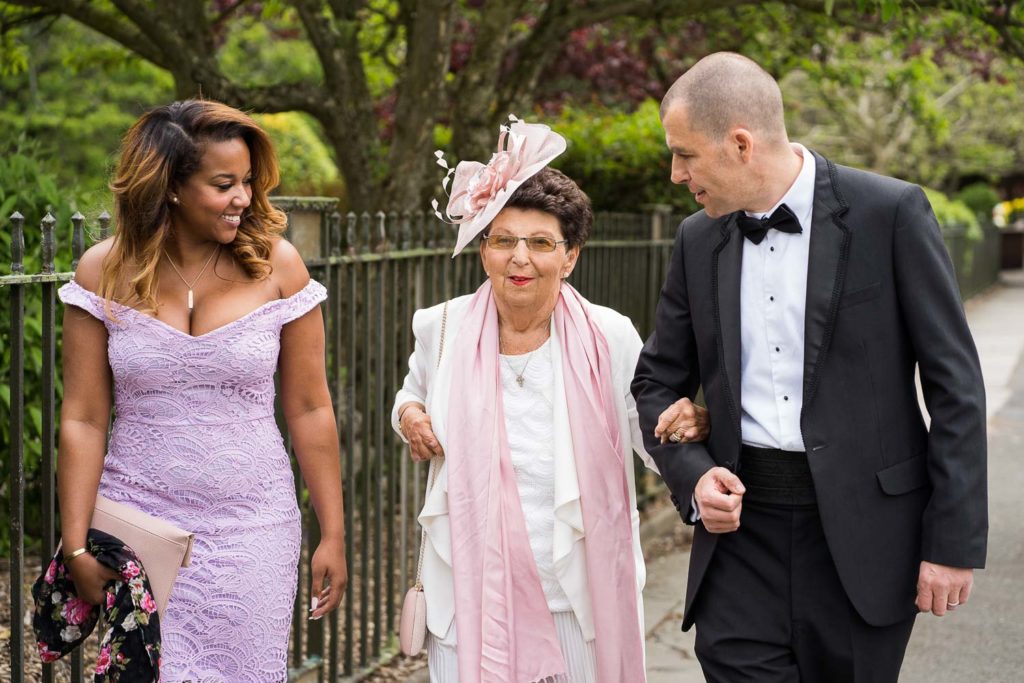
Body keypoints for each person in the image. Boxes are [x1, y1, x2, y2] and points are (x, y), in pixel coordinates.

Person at [631, 52, 988, 682]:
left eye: (684, 155)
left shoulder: (890, 212)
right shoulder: (697, 238)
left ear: (740, 144)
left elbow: (954, 385)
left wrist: (951, 542)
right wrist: (694, 476)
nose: (675, 173)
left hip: (865, 542)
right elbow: (655, 380)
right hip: (739, 541)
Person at [392, 117, 708, 682]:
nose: (520, 258)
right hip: (469, 596)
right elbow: (411, 395)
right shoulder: (439, 327)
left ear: (570, 256)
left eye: (540, 243)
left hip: (576, 598)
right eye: (503, 240)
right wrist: (409, 415)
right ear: (483, 250)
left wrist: (685, 427)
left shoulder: (609, 335)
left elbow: (647, 432)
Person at [56, 99, 348, 681]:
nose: (244, 197)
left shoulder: (279, 267)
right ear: (170, 187)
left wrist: (333, 533)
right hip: (140, 528)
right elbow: (83, 418)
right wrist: (76, 544)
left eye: (247, 181)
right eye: (224, 184)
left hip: (254, 526)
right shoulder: (102, 272)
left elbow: (311, 408)